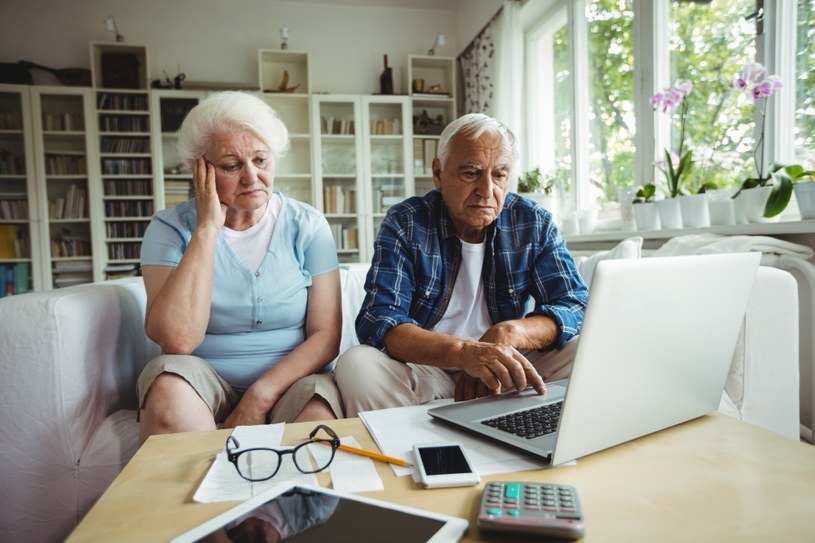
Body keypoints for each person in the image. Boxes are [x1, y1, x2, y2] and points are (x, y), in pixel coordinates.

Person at [334, 113, 589, 416]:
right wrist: (465, 353)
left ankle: (534, 434)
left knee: (587, 351)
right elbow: (379, 320)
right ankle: (405, 453)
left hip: (506, 363)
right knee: (357, 364)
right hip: (430, 368)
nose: (486, 190)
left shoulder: (532, 222)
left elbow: (574, 304)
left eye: (499, 175)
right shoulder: (406, 222)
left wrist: (508, 334)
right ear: (438, 173)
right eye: (471, 173)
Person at [137, 91, 342, 444]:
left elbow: (326, 336)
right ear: (199, 168)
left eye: (261, 160)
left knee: (317, 420)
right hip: (200, 378)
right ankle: (200, 499)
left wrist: (258, 397)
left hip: (290, 380)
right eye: (231, 166)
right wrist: (205, 229)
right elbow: (178, 339)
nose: (252, 178)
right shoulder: (169, 228)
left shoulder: (308, 224)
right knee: (167, 392)